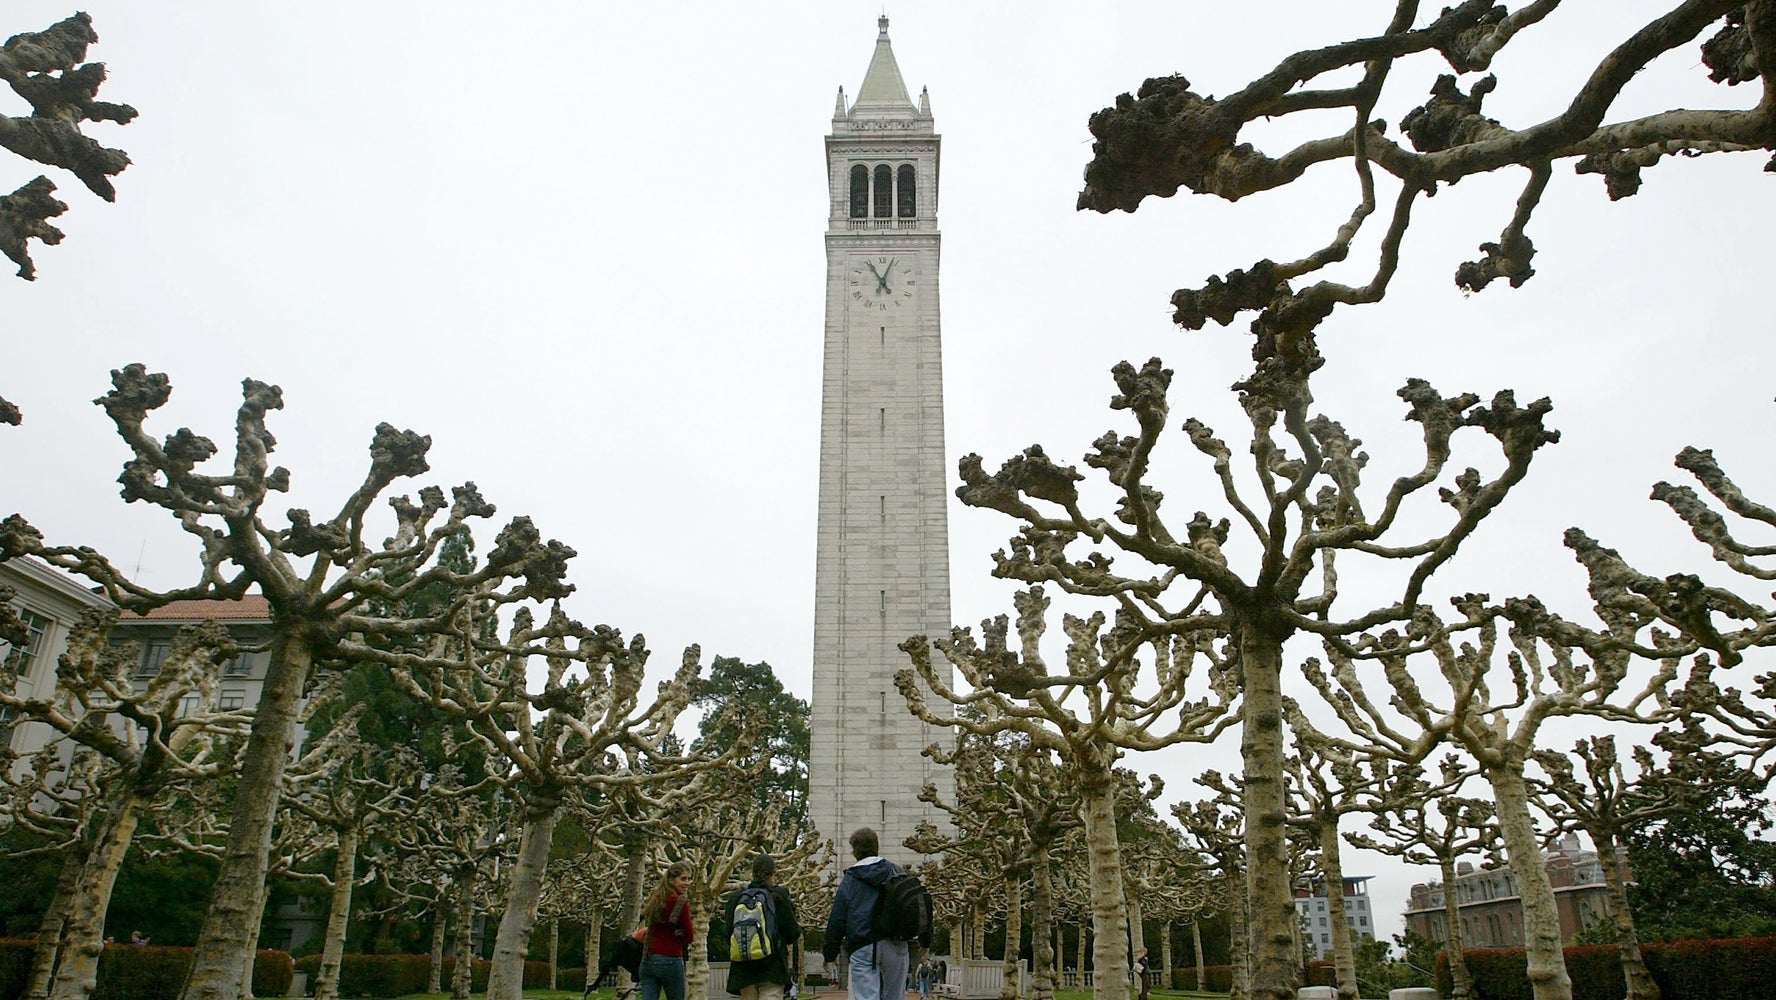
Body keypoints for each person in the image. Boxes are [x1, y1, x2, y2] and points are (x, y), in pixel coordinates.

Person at [822, 827, 931, 1000]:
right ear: (876, 846)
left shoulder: (850, 879)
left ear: (855, 850)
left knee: (865, 996)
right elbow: (917, 904)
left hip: (863, 944)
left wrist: (829, 953)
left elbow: (837, 919)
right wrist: (925, 941)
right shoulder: (897, 872)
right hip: (896, 942)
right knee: (895, 996)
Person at [724, 853, 800, 1000]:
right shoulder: (779, 894)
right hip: (772, 967)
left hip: (743, 969)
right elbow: (792, 932)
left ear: (752, 872)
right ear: (773, 872)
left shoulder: (736, 897)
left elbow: (728, 932)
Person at [639, 861, 697, 1000]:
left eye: (689, 879)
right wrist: (678, 934)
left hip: (649, 959)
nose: (687, 883)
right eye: (683, 879)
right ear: (671, 880)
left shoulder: (655, 898)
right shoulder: (680, 902)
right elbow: (689, 936)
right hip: (671, 958)